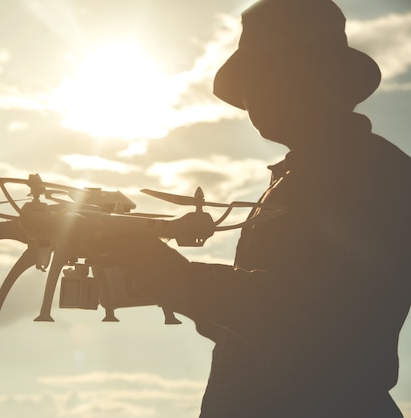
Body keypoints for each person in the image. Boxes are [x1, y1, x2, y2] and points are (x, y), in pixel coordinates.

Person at [99, 0, 411, 417]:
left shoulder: (373, 174)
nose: (249, 100)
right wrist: (158, 278)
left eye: (263, 78)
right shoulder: (296, 177)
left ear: (314, 78)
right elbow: (248, 330)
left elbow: (304, 316)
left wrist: (166, 272)